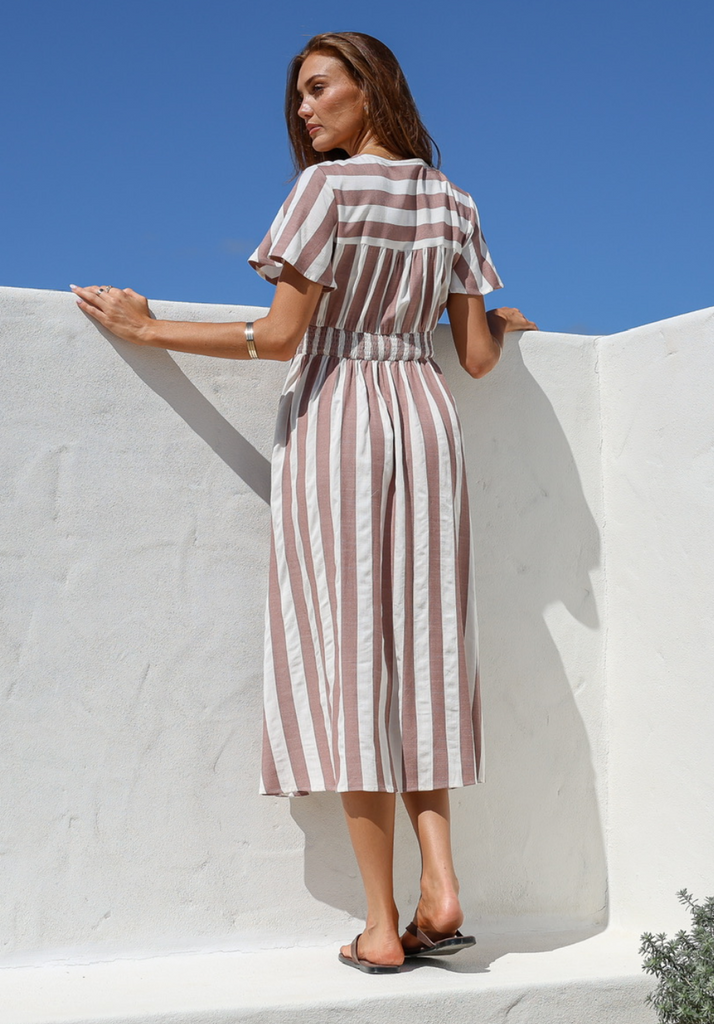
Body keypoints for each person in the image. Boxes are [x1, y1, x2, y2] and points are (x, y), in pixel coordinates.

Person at [71, 31, 538, 974]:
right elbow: (478, 362)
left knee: (353, 660)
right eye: (299, 97)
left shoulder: (323, 192)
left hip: (340, 423)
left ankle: (380, 924)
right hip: (426, 418)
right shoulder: (453, 201)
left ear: (372, 90)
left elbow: (284, 339)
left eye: (320, 89)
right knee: (429, 653)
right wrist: (493, 321)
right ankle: (439, 883)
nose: (304, 110)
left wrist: (147, 325)